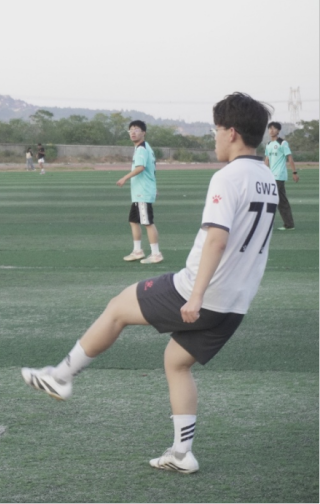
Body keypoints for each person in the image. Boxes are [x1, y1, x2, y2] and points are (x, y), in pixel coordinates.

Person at [21, 93, 278, 474]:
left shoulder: (228, 176)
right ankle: (181, 453)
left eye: (216, 130)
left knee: (117, 308)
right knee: (176, 362)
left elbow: (217, 240)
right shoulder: (267, 177)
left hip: (199, 290)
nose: (214, 137)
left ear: (232, 133)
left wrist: (195, 295)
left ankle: (61, 377)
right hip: (236, 302)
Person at [117, 120, 163, 264]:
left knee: (147, 223)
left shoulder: (142, 149)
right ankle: (137, 251)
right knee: (133, 221)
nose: (133, 132)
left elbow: (141, 167)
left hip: (142, 192)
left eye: (136, 129)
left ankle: (156, 254)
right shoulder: (143, 147)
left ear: (144, 133)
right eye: (131, 130)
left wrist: (124, 178)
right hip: (140, 192)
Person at [264, 122, 299, 230]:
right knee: (282, 201)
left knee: (271, 199)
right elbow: (267, 160)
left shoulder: (283, 143)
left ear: (278, 131)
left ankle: (267, 224)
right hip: (271, 176)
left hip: (279, 175)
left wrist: (294, 172)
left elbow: (289, 158)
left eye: (274, 128)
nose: (271, 130)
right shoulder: (268, 144)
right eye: (270, 128)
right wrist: (264, 173)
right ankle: (289, 224)